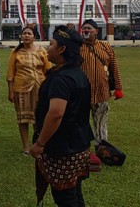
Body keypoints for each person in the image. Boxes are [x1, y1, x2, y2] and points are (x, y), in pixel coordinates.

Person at [30, 26, 93, 207]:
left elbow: (56, 113)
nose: (46, 48)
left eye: (51, 44)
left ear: (61, 49)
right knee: (74, 193)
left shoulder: (62, 79)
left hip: (63, 149)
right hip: (78, 143)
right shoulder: (78, 74)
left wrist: (40, 143)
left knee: (65, 198)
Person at [7, 25, 51, 155]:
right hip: (21, 89)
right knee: (23, 118)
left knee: (39, 117)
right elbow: (10, 74)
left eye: (29, 34)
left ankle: (38, 144)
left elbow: (47, 70)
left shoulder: (42, 51)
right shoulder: (16, 52)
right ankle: (26, 147)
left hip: (39, 88)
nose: (26, 35)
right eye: (24, 33)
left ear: (34, 37)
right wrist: (10, 91)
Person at [79, 19, 124, 146]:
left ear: (96, 31)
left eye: (89, 28)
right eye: (84, 29)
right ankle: (81, 149)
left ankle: (102, 147)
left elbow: (114, 67)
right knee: (80, 121)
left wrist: (118, 88)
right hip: (82, 92)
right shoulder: (77, 47)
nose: (86, 31)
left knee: (100, 122)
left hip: (101, 91)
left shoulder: (106, 47)